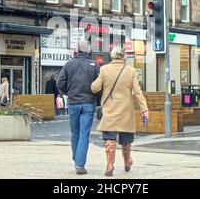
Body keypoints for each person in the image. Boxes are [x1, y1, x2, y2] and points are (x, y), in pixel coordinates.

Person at [91, 47, 149, 177]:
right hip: (126, 112)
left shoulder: (104, 69)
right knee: (126, 141)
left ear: (112, 57)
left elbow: (95, 88)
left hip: (110, 111)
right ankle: (127, 161)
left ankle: (110, 165)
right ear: (123, 57)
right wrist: (144, 109)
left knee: (110, 140)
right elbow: (138, 92)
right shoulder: (131, 71)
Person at [56, 40, 100, 175]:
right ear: (88, 50)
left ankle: (77, 159)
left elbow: (60, 82)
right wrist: (96, 97)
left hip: (73, 102)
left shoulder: (69, 64)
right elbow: (99, 85)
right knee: (84, 134)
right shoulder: (94, 65)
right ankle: (80, 164)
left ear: (77, 50)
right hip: (88, 102)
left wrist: (68, 92)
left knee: (75, 132)